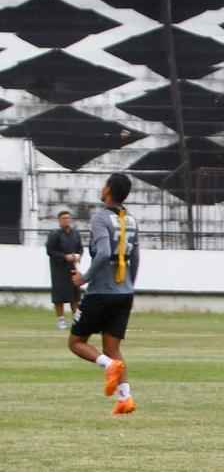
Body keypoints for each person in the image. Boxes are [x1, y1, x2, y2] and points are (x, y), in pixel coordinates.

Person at [68, 173, 140, 415]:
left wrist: (83, 278)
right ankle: (125, 399)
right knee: (113, 347)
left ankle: (108, 367)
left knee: (76, 342)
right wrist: (129, 285)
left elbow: (103, 253)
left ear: (108, 189)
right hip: (124, 292)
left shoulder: (100, 218)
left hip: (100, 292)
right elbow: (136, 258)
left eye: (104, 184)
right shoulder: (131, 219)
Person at [46, 210, 83, 329]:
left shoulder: (76, 234)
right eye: (63, 218)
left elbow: (80, 248)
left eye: (68, 218)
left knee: (75, 294)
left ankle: (77, 318)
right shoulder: (54, 234)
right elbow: (50, 251)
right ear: (59, 221)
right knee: (59, 295)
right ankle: (61, 320)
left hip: (72, 268)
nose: (66, 220)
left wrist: (78, 255)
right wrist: (64, 257)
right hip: (59, 269)